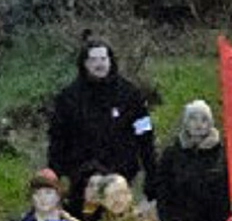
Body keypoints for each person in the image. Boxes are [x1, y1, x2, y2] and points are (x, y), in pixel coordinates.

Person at [47, 38, 156, 193]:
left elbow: (145, 134)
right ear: (84, 63)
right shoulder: (68, 98)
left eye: (103, 59)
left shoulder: (130, 94)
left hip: (121, 176)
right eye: (93, 59)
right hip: (82, 179)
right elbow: (57, 138)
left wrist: (151, 172)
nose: (99, 64)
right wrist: (55, 175)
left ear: (111, 61)